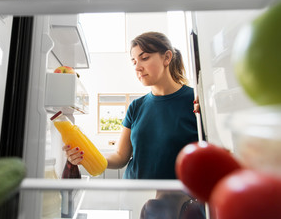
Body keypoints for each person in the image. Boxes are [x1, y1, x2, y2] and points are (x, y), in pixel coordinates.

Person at [63, 31, 199, 180]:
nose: (137, 67)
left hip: (178, 198)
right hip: (134, 195)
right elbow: (120, 157)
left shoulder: (195, 101)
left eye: (144, 58)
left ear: (167, 57)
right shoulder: (136, 106)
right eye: (134, 62)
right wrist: (86, 156)